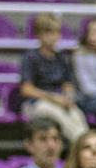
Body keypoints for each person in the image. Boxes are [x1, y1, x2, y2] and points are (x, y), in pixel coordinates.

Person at [19, 13, 89, 143]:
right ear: (39, 35)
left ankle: (86, 141)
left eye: (56, 33)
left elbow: (67, 83)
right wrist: (53, 98)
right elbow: (26, 89)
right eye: (48, 33)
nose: (53, 37)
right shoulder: (30, 57)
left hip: (60, 101)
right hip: (36, 103)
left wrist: (68, 97)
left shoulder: (61, 57)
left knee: (76, 114)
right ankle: (82, 143)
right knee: (52, 112)